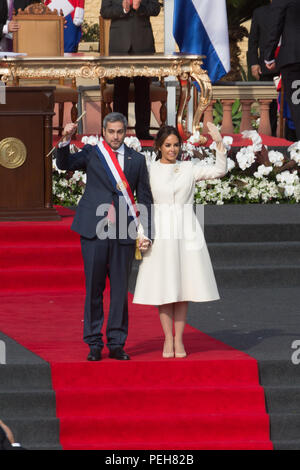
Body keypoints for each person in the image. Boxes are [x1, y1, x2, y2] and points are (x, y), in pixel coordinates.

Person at [56, 112, 153, 361]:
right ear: (104, 131)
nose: (116, 136)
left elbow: (145, 198)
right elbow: (64, 164)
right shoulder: (92, 153)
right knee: (94, 288)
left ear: (126, 132)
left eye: (120, 132)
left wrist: (147, 232)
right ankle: (94, 343)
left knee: (120, 290)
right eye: (111, 132)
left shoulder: (137, 160)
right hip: (94, 228)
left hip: (124, 230)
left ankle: (117, 342)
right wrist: (65, 139)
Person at [133, 123, 227, 358]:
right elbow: (144, 202)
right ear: (158, 146)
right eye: (168, 145)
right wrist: (141, 233)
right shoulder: (149, 169)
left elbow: (219, 170)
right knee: (164, 287)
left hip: (187, 229)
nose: (172, 149)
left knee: (184, 288)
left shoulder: (188, 168)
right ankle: (167, 339)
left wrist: (218, 143)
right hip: (160, 230)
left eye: (176, 145)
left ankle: (180, 340)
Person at [100, 0, 161, 140]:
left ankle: (143, 132)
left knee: (143, 89)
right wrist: (123, 9)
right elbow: (105, 12)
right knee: (120, 90)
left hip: (143, 44)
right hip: (119, 45)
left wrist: (140, 7)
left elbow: (156, 8)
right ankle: (119, 132)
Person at [264, 0, 300, 141]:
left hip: (293, 59)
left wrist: (269, 57)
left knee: (297, 105)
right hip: (293, 59)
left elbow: (274, 27)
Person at [247, 0, 278, 136]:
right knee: (268, 107)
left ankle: (291, 140)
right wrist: (254, 63)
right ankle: (269, 140)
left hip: (289, 67)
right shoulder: (259, 13)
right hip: (265, 68)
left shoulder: (293, 11)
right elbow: (253, 41)